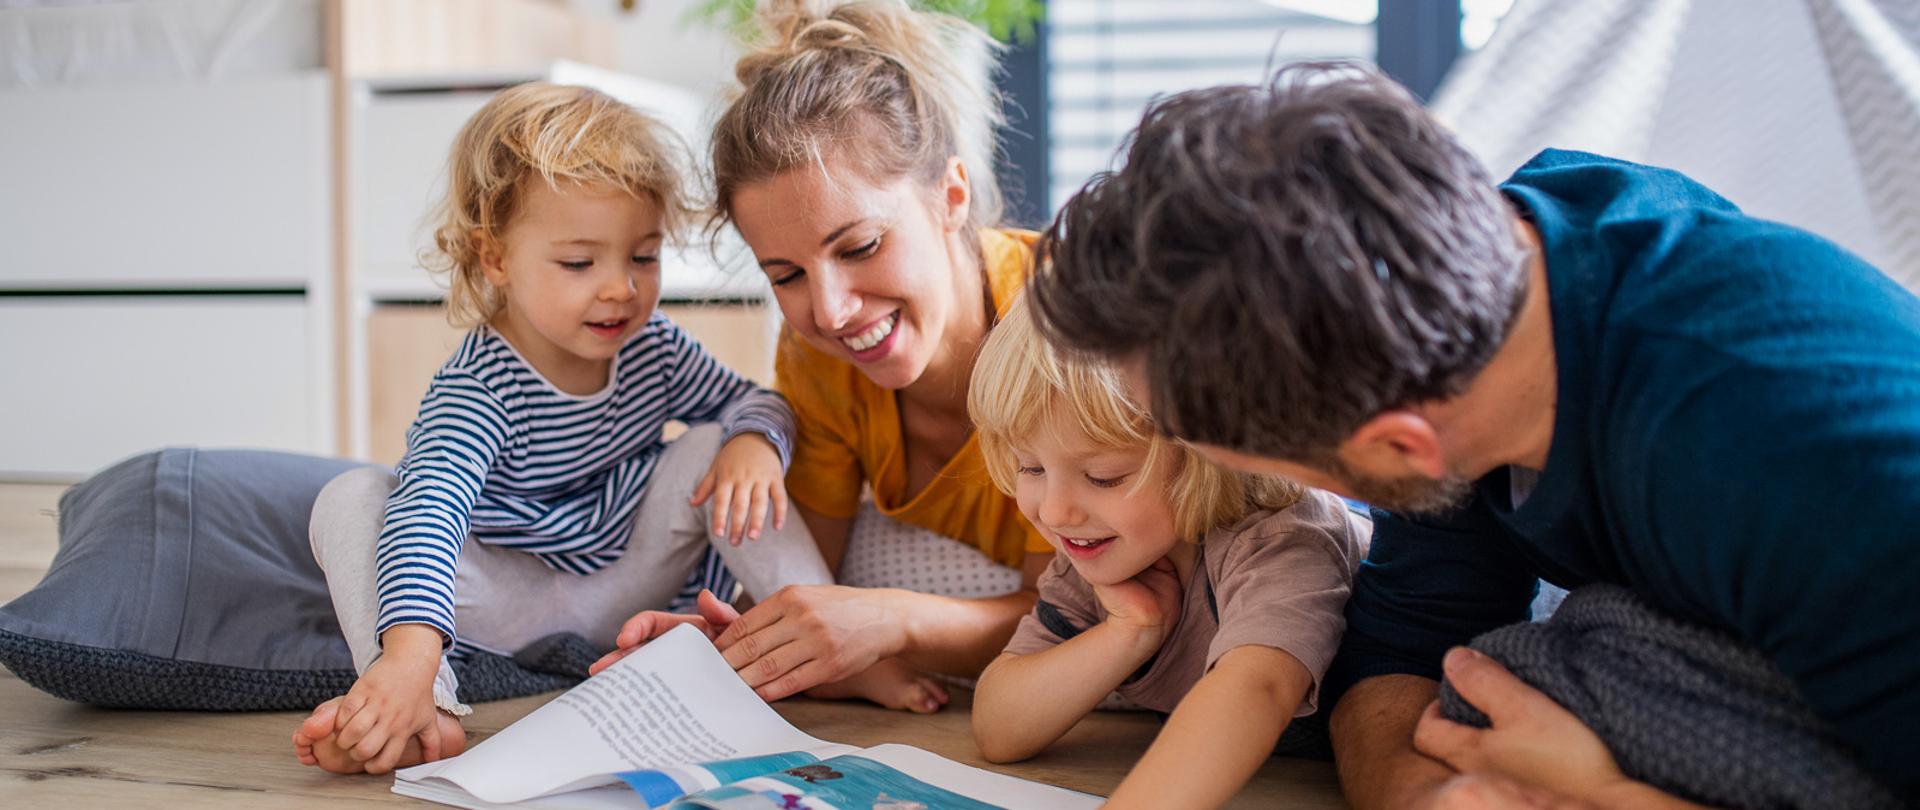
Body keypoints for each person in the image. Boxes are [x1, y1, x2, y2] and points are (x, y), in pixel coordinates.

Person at [1026, 62, 1920, 808]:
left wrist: (1611, 799)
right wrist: (1427, 797)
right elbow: (1399, 650)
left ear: (1402, 450)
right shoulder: (1450, 318)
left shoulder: (1800, 456)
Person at [289, 82, 843, 775]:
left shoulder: (654, 348)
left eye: (643, 257)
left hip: (624, 583)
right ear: (495, 259)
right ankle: (412, 698)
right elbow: (429, 514)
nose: (620, 287)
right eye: (580, 263)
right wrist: (410, 652)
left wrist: (754, 441)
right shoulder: (478, 388)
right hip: (506, 598)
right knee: (355, 497)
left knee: (720, 444)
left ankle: (821, 632)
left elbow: (752, 400)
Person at [590, 0, 1056, 711]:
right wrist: (729, 645)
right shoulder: (818, 362)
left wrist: (889, 620)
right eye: (786, 275)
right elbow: (809, 579)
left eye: (861, 246)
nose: (832, 311)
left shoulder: (1058, 328)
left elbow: (1064, 614)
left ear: (951, 196)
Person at [965, 295, 1370, 809]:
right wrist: (1130, 632)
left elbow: (1258, 689)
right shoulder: (1095, 555)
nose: (1056, 511)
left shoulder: (1281, 537)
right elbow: (999, 730)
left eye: (1103, 477)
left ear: (1206, 454)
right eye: (1031, 468)